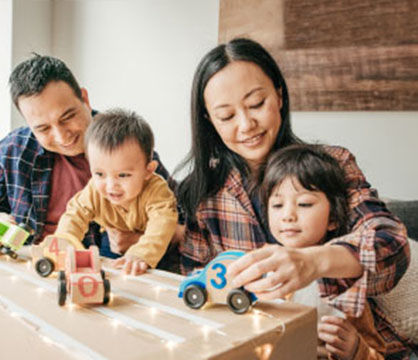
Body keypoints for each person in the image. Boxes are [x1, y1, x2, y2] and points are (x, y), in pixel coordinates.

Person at [176, 38, 410, 359]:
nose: (246, 125)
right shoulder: (203, 194)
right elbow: (195, 283)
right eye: (227, 116)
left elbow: (391, 244)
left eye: (257, 103)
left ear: (279, 96)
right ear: (210, 122)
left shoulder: (332, 165)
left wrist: (312, 262)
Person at [0, 54, 170, 258]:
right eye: (43, 128)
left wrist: (147, 242)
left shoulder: (127, 147)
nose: (61, 136)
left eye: (67, 117)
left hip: (99, 275)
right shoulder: (14, 151)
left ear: (85, 99)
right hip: (31, 266)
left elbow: (185, 223)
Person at [262, 144, 388, 360]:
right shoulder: (261, 263)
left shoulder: (342, 277)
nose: (287, 216)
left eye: (304, 204)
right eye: (277, 205)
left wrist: (356, 348)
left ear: (333, 219)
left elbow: (377, 352)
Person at [54, 109, 178, 275]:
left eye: (123, 175)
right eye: (99, 174)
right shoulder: (94, 190)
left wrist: (140, 254)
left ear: (148, 171)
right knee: (106, 272)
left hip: (155, 249)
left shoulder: (156, 190)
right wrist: (64, 241)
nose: (111, 185)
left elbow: (162, 223)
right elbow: (75, 214)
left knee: (152, 275)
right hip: (111, 243)